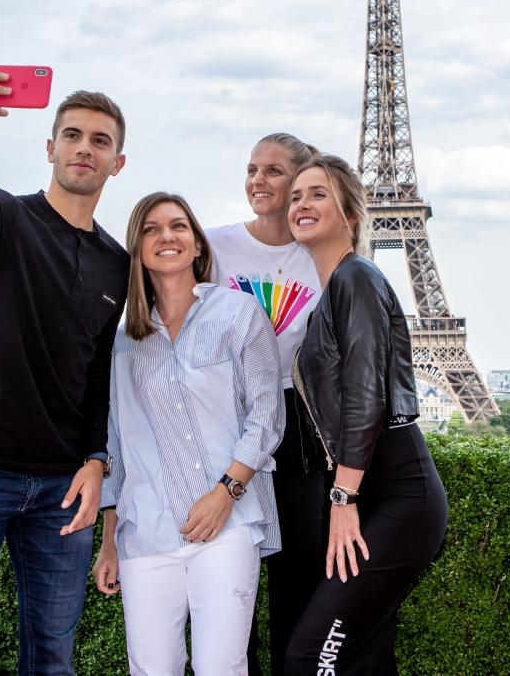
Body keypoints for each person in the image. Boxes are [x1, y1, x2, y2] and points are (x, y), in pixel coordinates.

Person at [0, 55, 129, 675]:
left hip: (62, 490)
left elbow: (98, 377)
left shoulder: (117, 265)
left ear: (118, 163)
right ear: (49, 147)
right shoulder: (3, 217)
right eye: (72, 135)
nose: (84, 149)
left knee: (53, 658)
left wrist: (96, 459)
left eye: (100, 140)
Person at [91, 192, 283, 675]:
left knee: (222, 667)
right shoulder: (121, 344)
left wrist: (228, 491)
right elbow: (116, 444)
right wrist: (109, 539)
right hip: (145, 533)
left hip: (227, 525)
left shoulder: (239, 314)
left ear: (197, 244)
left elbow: (267, 416)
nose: (166, 236)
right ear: (138, 249)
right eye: (151, 229)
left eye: (177, 226)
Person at [283, 154, 448, 674]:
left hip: (392, 492)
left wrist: (343, 495)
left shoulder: (356, 277)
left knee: (312, 657)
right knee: (363, 655)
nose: (302, 203)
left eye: (318, 193)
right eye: (296, 195)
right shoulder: (337, 288)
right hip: (380, 490)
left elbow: (364, 395)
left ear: (350, 213)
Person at [204, 133, 324, 674]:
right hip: (230, 422)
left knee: (298, 575)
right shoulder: (214, 246)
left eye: (274, 171)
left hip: (298, 422)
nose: (258, 180)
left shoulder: (320, 256)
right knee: (233, 577)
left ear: (299, 181)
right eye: (252, 169)